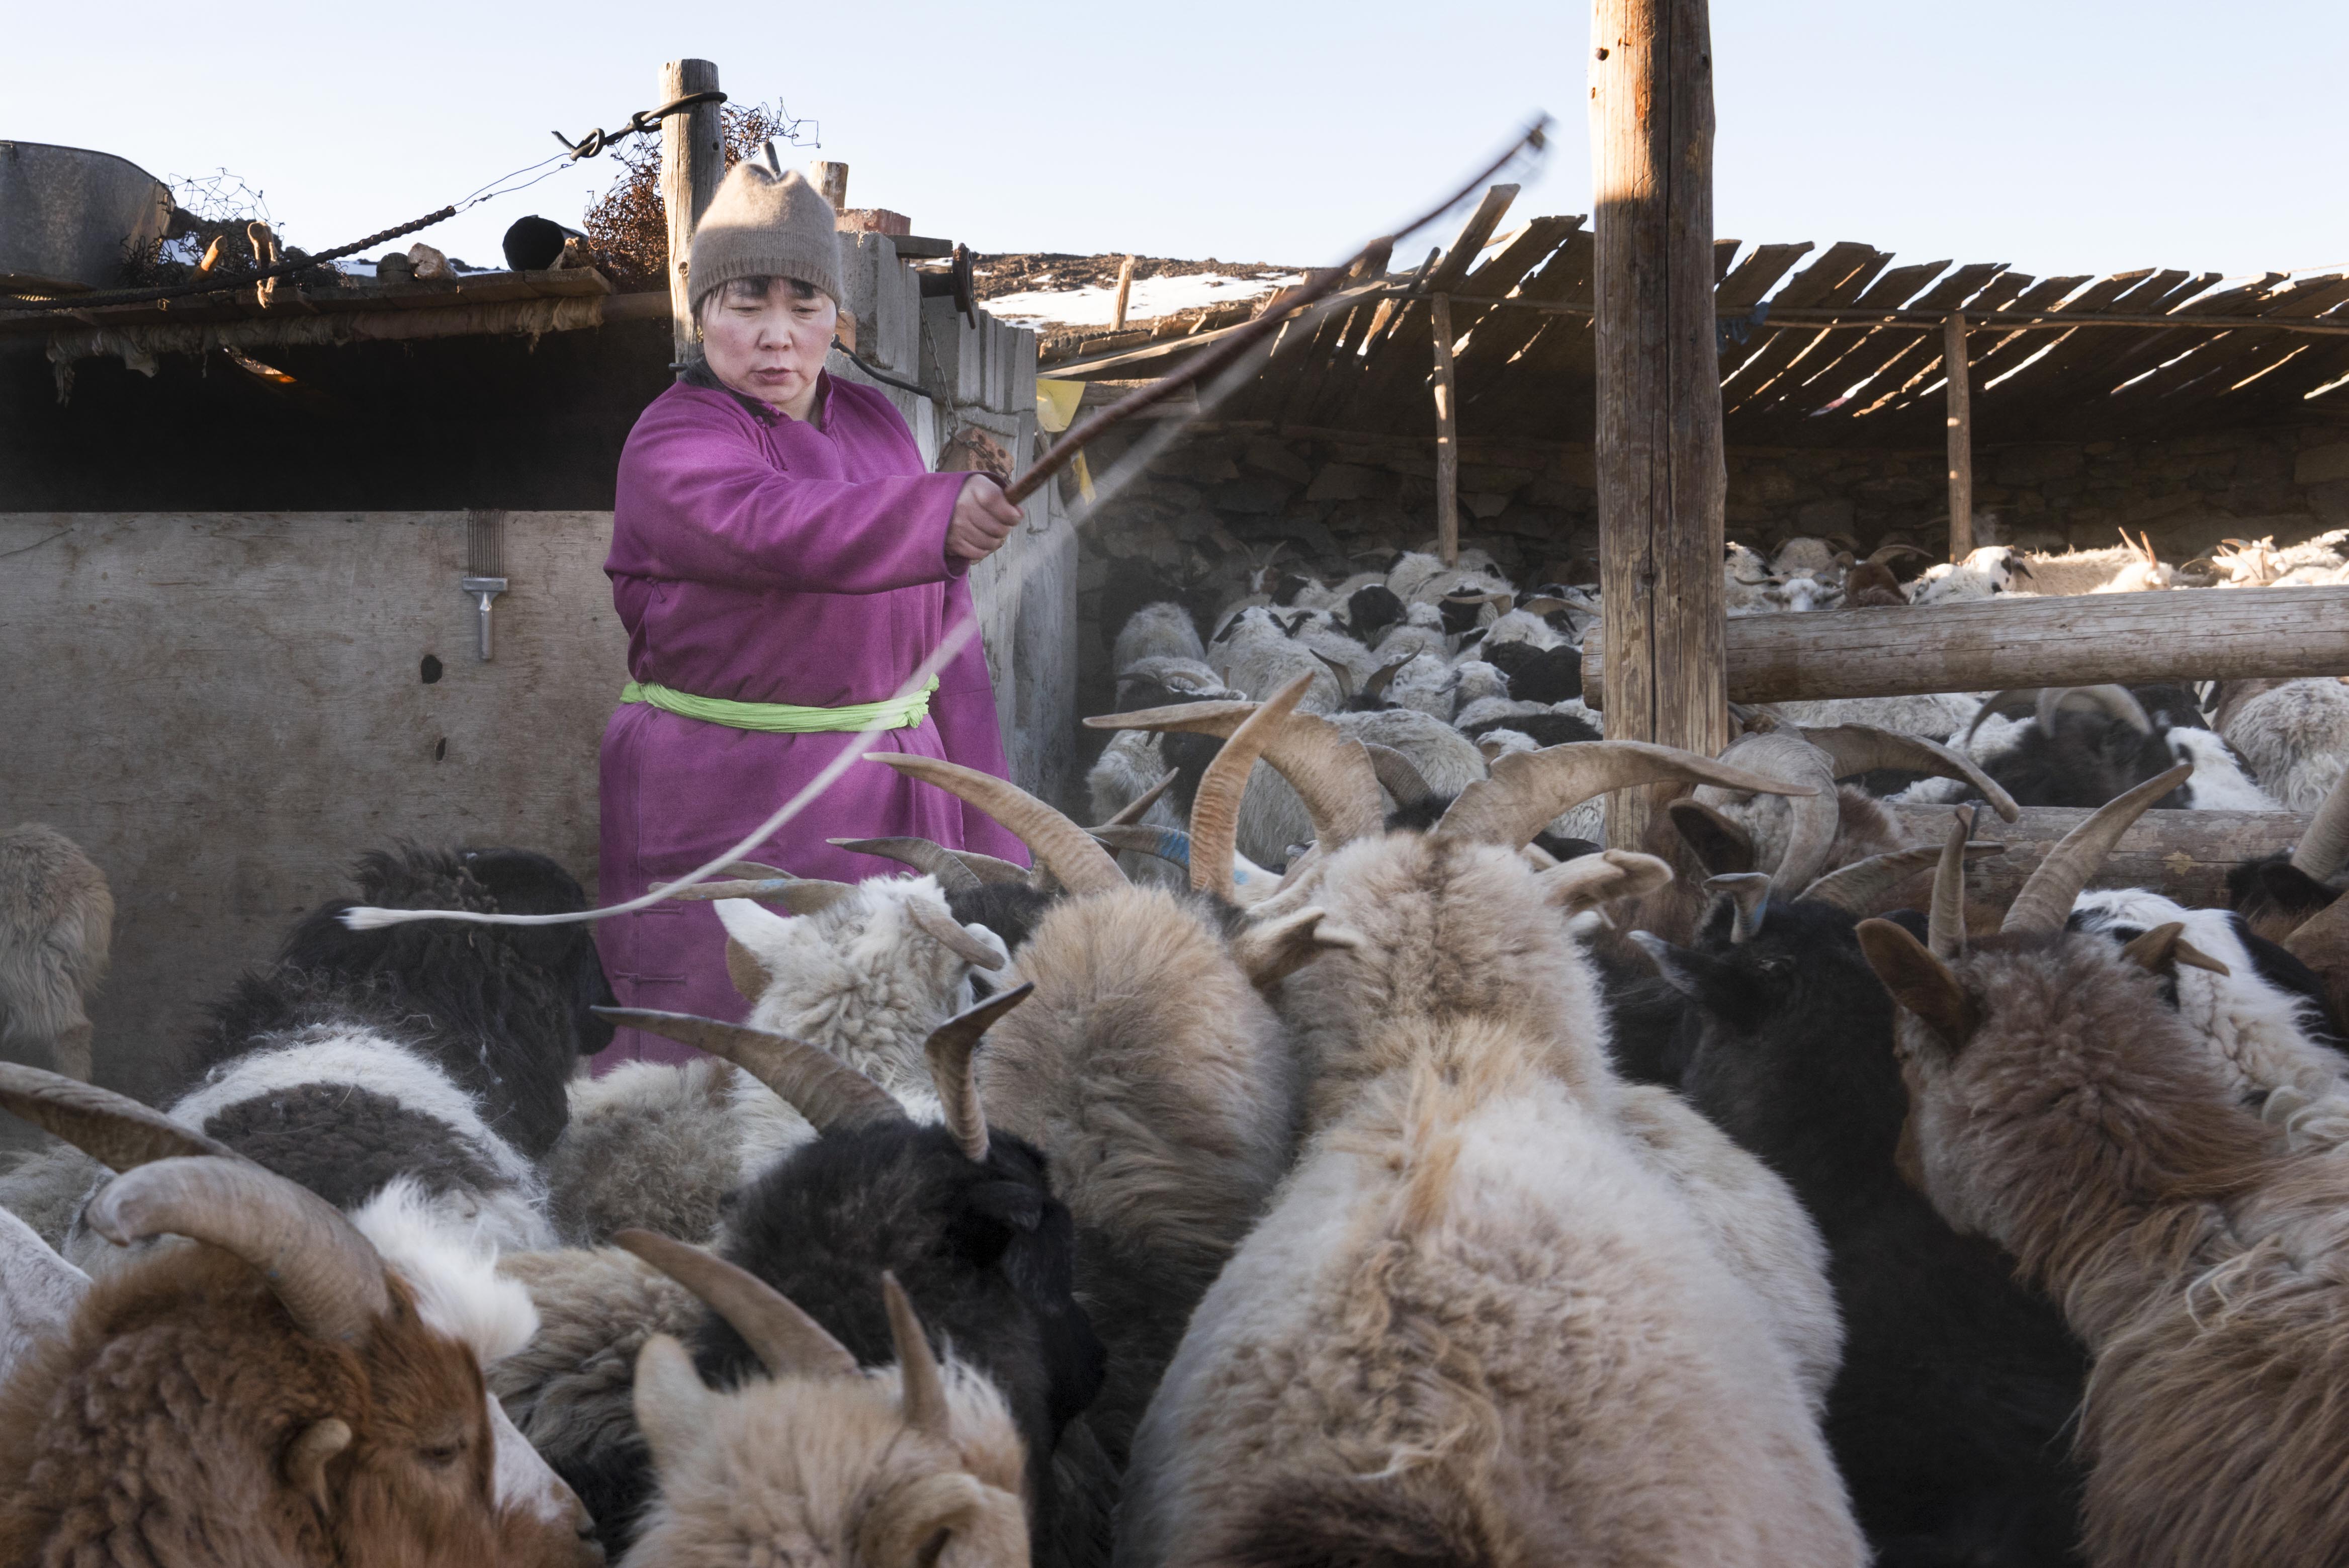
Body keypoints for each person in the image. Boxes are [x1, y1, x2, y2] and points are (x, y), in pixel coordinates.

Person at [593, 158, 1030, 1069]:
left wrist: (995, 842)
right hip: (733, 808)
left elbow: (945, 642)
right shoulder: (676, 439)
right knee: (718, 1068)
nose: (777, 338)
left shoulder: (873, 422)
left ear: (838, 315)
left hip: (896, 809)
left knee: (889, 1056)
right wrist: (932, 513)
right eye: (747, 302)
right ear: (702, 308)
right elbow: (775, 527)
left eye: (805, 304)